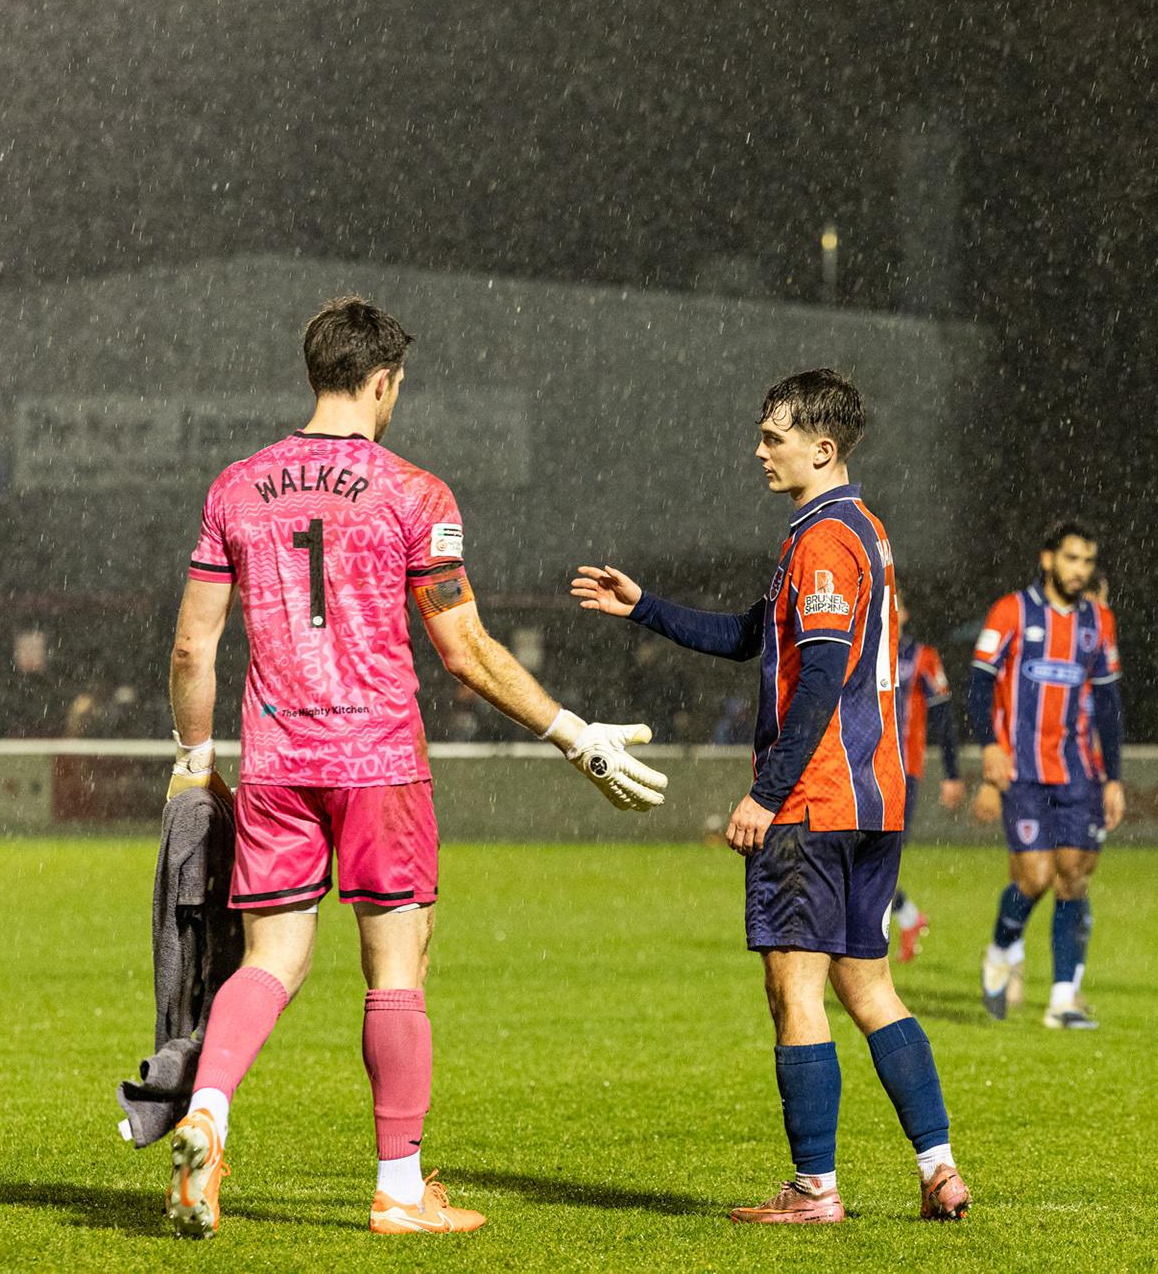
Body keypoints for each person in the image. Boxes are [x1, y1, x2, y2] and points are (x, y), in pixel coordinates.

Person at [162, 296, 667, 1239]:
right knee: (396, 966)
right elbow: (465, 651)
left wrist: (195, 761)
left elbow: (195, 647)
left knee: (272, 959)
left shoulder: (236, 487)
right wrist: (573, 733)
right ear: (383, 381)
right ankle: (398, 1189)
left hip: (276, 765)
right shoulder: (413, 492)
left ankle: (209, 1114)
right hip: (380, 762)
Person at [571, 368, 970, 1225]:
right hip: (873, 802)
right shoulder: (856, 530)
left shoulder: (825, 540)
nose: (758, 451)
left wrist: (767, 792)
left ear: (821, 449)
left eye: (773, 436)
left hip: (814, 803)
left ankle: (815, 1188)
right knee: (869, 989)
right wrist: (645, 609)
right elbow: (755, 636)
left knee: (796, 992)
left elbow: (820, 677)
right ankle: (939, 1167)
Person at [970, 521, 1125, 1029]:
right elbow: (978, 684)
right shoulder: (1012, 611)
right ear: (1048, 559)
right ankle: (1001, 948)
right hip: (1023, 770)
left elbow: (1109, 702)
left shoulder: (1098, 621)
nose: (1080, 570)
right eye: (1071, 558)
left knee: (1073, 878)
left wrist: (1114, 776)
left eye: (1087, 561)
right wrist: (989, 747)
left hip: (1078, 771)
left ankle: (1062, 1001)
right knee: (1034, 879)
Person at [887, 595, 965, 961]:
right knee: (859, 860)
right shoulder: (858, 651)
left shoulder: (922, 657)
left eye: (894, 605)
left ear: (904, 613)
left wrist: (952, 774)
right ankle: (906, 917)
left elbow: (943, 717)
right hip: (859, 771)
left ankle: (873, 940)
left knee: (878, 860)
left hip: (902, 773)